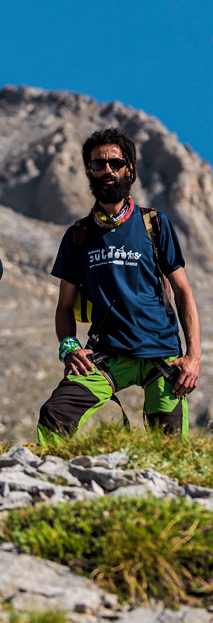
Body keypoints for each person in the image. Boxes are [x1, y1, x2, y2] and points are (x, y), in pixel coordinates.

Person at [37, 128, 201, 441]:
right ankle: (49, 486)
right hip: (106, 355)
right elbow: (63, 307)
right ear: (88, 171)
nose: (107, 170)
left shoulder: (154, 223)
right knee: (55, 416)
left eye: (115, 163)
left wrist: (193, 357)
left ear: (130, 169)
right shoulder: (78, 235)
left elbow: (183, 291)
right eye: (98, 164)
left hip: (162, 356)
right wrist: (68, 346)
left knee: (169, 447)